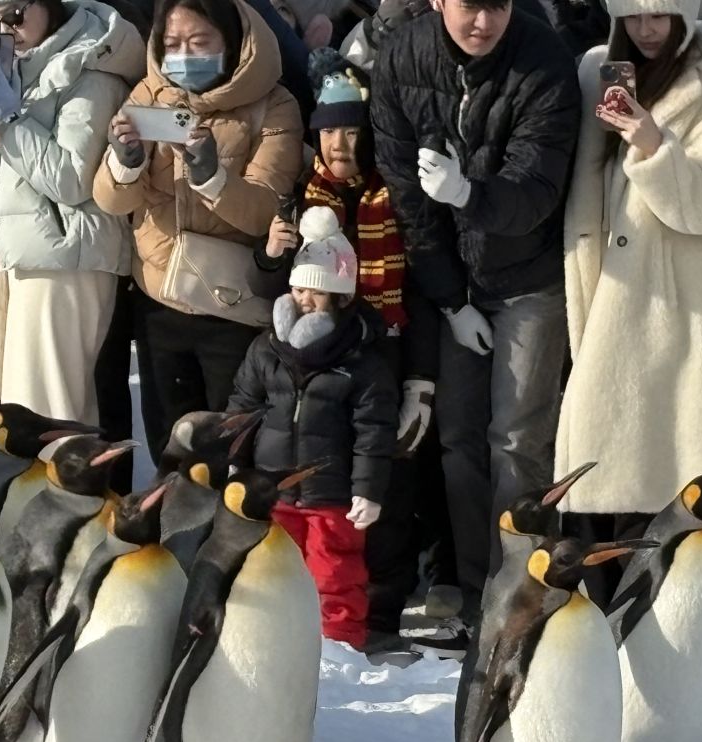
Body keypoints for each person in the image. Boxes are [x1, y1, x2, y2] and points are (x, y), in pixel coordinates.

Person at [369, 0, 580, 638]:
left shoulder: (544, 58)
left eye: (496, 5)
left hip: (529, 274)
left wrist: (470, 194)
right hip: (453, 283)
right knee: (458, 437)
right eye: (468, 5)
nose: (481, 21)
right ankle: (469, 587)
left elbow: (537, 189)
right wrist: (451, 300)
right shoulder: (402, 55)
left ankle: (519, 590)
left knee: (517, 438)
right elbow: (406, 196)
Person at [253, 47, 442, 652]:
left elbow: (421, 286)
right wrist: (272, 254)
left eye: (352, 130)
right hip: (312, 363)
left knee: (386, 487)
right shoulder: (301, 197)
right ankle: (301, 617)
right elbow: (274, 294)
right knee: (315, 503)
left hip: (382, 346)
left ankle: (378, 617)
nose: (340, 143)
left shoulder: (399, 191)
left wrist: (421, 378)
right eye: (329, 129)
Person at [558, 1, 702, 568]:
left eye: (661, 17)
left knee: (679, 482)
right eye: (635, 18)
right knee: (621, 474)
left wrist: (651, 142)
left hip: (686, 306)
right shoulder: (599, 72)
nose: (646, 31)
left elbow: (700, 206)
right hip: (620, 292)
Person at [96, 0, 303, 461]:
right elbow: (110, 201)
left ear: (229, 42)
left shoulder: (274, 104)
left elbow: (265, 210)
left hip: (230, 306)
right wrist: (124, 163)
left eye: (199, 42)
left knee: (231, 451)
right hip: (158, 300)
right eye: (172, 44)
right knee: (169, 449)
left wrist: (212, 177)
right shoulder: (148, 95)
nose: (185, 55)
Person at [0, 0, 144, 425]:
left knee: (45, 421)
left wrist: (9, 125)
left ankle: (58, 494)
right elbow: (5, 179)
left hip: (65, 257)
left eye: (15, 15)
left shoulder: (90, 69)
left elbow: (71, 181)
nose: (6, 29)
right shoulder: (24, 66)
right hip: (30, 254)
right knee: (35, 419)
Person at [227, 206, 397, 650]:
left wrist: (368, 490)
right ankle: (268, 642)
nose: (304, 299)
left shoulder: (362, 362)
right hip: (272, 491)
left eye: (317, 294)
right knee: (267, 574)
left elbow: (373, 431)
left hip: (332, 497)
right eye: (299, 289)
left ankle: (338, 648)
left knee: (335, 575)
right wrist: (234, 464)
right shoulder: (265, 350)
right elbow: (242, 409)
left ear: (341, 299)